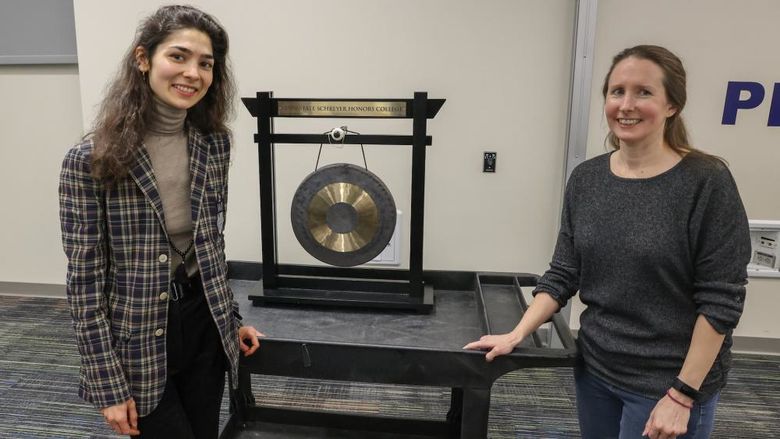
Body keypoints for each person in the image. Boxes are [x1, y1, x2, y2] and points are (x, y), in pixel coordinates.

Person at [465, 45, 751, 439]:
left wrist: (683, 395)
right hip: (596, 370)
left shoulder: (706, 182)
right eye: (617, 91)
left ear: (672, 105)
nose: (626, 105)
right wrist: (518, 332)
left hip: (668, 384)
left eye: (644, 92)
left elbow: (721, 300)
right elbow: (564, 272)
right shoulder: (587, 179)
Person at [58, 5, 262, 438]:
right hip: (138, 333)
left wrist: (229, 317)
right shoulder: (91, 159)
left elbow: (210, 244)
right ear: (143, 59)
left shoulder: (214, 145)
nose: (193, 73)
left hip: (204, 320)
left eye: (205, 63)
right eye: (179, 56)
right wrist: (107, 386)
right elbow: (85, 282)